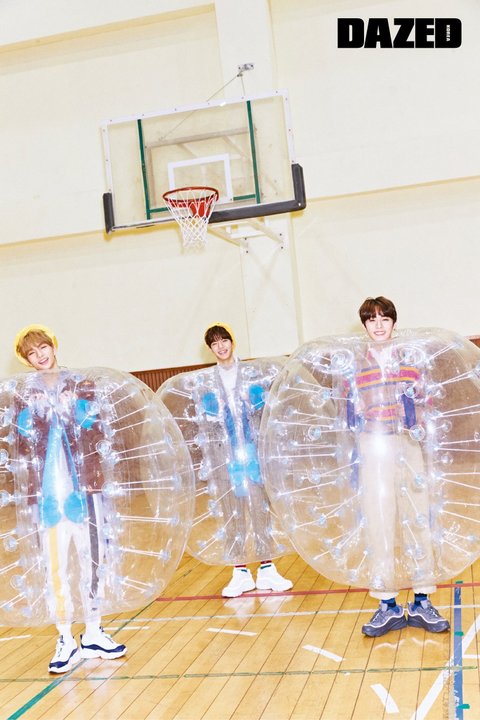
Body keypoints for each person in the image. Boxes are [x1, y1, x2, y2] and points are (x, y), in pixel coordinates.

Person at [13, 325, 127, 672]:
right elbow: (22, 444)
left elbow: (97, 432)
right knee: (55, 567)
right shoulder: (24, 396)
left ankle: (93, 630)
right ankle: (64, 637)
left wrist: (75, 413)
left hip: (86, 492)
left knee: (94, 560)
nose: (40, 356)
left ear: (53, 346)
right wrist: (36, 418)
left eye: (43, 347)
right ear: (26, 359)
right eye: (32, 353)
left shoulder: (82, 385)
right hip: (47, 500)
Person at [352, 298, 450, 637]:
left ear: (394, 322)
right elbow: (350, 413)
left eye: (384, 319)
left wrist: (416, 415)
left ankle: (422, 600)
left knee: (417, 516)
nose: (378, 325)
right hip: (372, 444)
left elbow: (426, 403)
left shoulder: (410, 363)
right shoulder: (355, 368)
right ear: (364, 325)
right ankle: (387, 605)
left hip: (407, 442)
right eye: (372, 320)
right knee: (379, 522)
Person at [203, 324, 293, 597]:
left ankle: (267, 568)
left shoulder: (252, 375)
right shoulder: (207, 383)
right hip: (225, 456)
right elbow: (207, 424)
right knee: (232, 512)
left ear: (232, 342)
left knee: (259, 508)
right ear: (210, 349)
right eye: (215, 343)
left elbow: (265, 413)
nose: (221, 346)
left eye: (224, 340)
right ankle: (239, 571)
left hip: (252, 453)